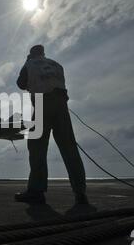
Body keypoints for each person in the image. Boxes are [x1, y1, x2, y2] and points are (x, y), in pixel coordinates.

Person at [15, 45, 89, 206]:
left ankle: (36, 191)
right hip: (61, 105)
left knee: (37, 148)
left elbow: (21, 83)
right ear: (43, 53)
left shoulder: (29, 64)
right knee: (70, 148)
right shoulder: (57, 64)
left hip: (42, 103)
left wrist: (27, 63)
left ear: (31, 54)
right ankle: (80, 193)